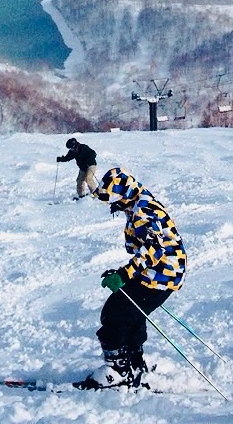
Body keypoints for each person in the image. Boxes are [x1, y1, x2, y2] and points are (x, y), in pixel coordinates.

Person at [74, 167, 187, 390]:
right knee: (130, 311)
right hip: (159, 271)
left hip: (162, 274)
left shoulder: (142, 212)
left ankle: (119, 371)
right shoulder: (138, 202)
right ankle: (134, 362)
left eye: (114, 203)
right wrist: (124, 273)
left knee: (116, 311)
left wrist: (124, 274)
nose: (114, 208)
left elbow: (154, 249)